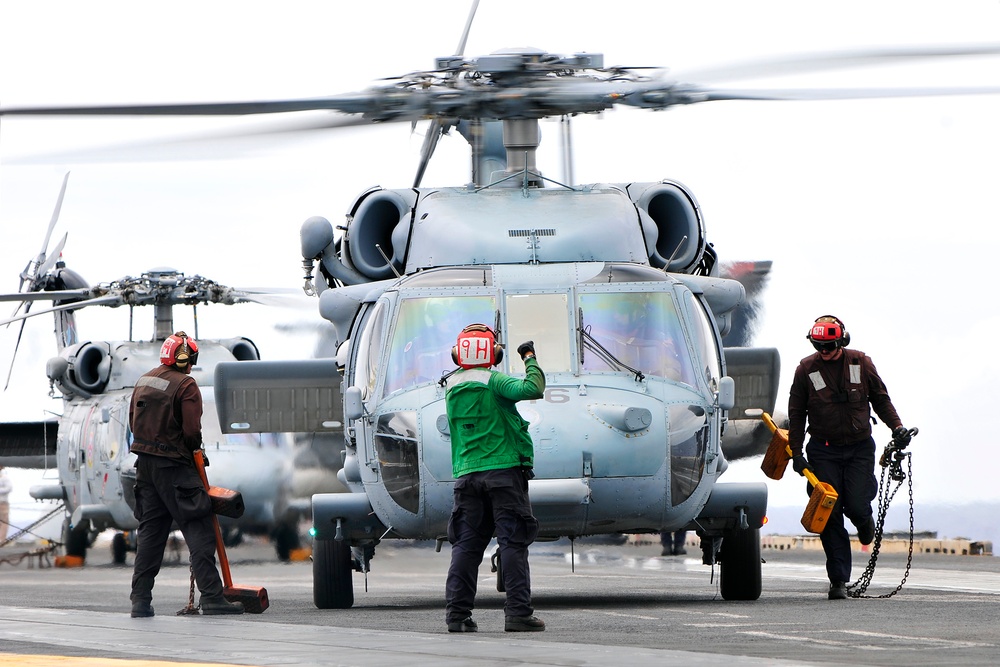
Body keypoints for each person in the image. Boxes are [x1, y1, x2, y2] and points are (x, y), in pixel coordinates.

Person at [787, 315, 909, 600]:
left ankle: (864, 521)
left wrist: (898, 427)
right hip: (823, 451)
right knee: (829, 513)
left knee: (855, 503)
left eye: (829, 345)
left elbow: (880, 398)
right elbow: (796, 414)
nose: (824, 351)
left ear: (841, 341)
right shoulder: (806, 370)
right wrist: (796, 453)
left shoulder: (860, 363)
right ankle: (838, 580)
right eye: (819, 346)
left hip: (858, 448)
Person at [128, 331, 244, 617]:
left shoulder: (143, 381)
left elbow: (133, 423)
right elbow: (192, 432)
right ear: (184, 358)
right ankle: (213, 598)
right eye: (190, 358)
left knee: (151, 535)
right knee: (199, 528)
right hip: (176, 468)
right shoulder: (186, 385)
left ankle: (140, 601)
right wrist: (194, 451)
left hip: (145, 469)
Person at [444, 324, 546, 633]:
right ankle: (518, 613)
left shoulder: (451, 387)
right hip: (503, 474)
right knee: (512, 543)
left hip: (466, 477)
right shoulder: (495, 381)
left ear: (457, 354)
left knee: (466, 546)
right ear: (495, 353)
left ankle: (457, 616)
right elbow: (533, 389)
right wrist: (529, 357)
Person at [0, 467, 12, 544]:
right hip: (3, 502)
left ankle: (2, 539)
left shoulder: (4, 478)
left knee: (4, 521)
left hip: (3, 502)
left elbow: (9, 488)